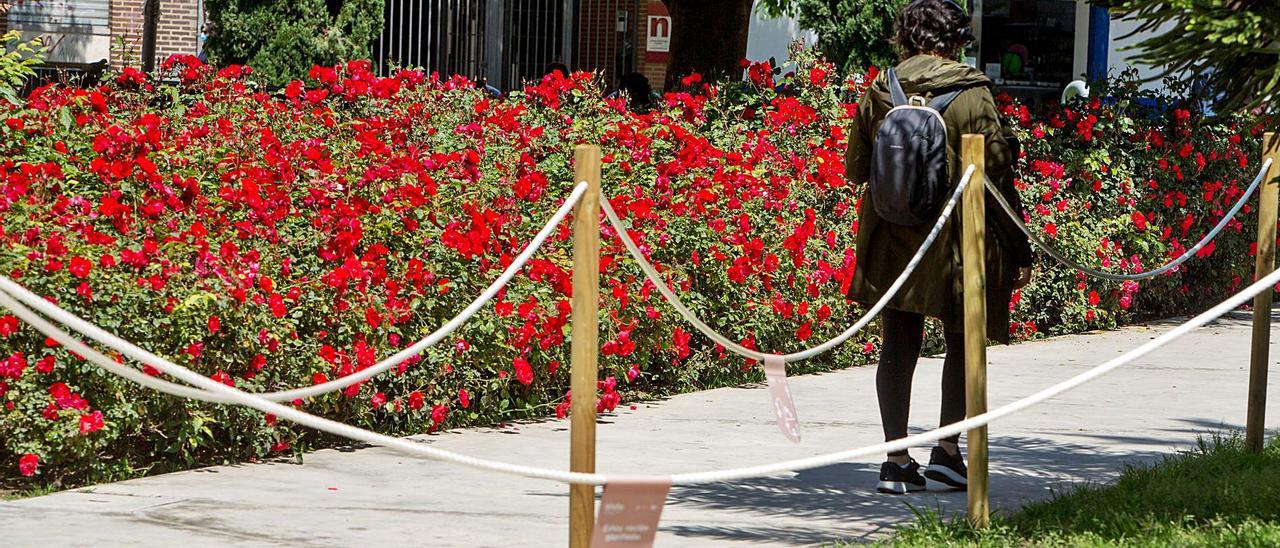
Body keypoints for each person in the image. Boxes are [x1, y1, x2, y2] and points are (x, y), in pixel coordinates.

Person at [844, 0, 1034, 495]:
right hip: (956, 237)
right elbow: (996, 171)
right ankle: (948, 454)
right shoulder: (974, 94)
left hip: (892, 236)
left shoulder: (881, 88)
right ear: (956, 40)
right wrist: (1019, 247)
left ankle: (896, 461)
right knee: (962, 342)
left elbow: (855, 169)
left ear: (904, 38)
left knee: (897, 344)